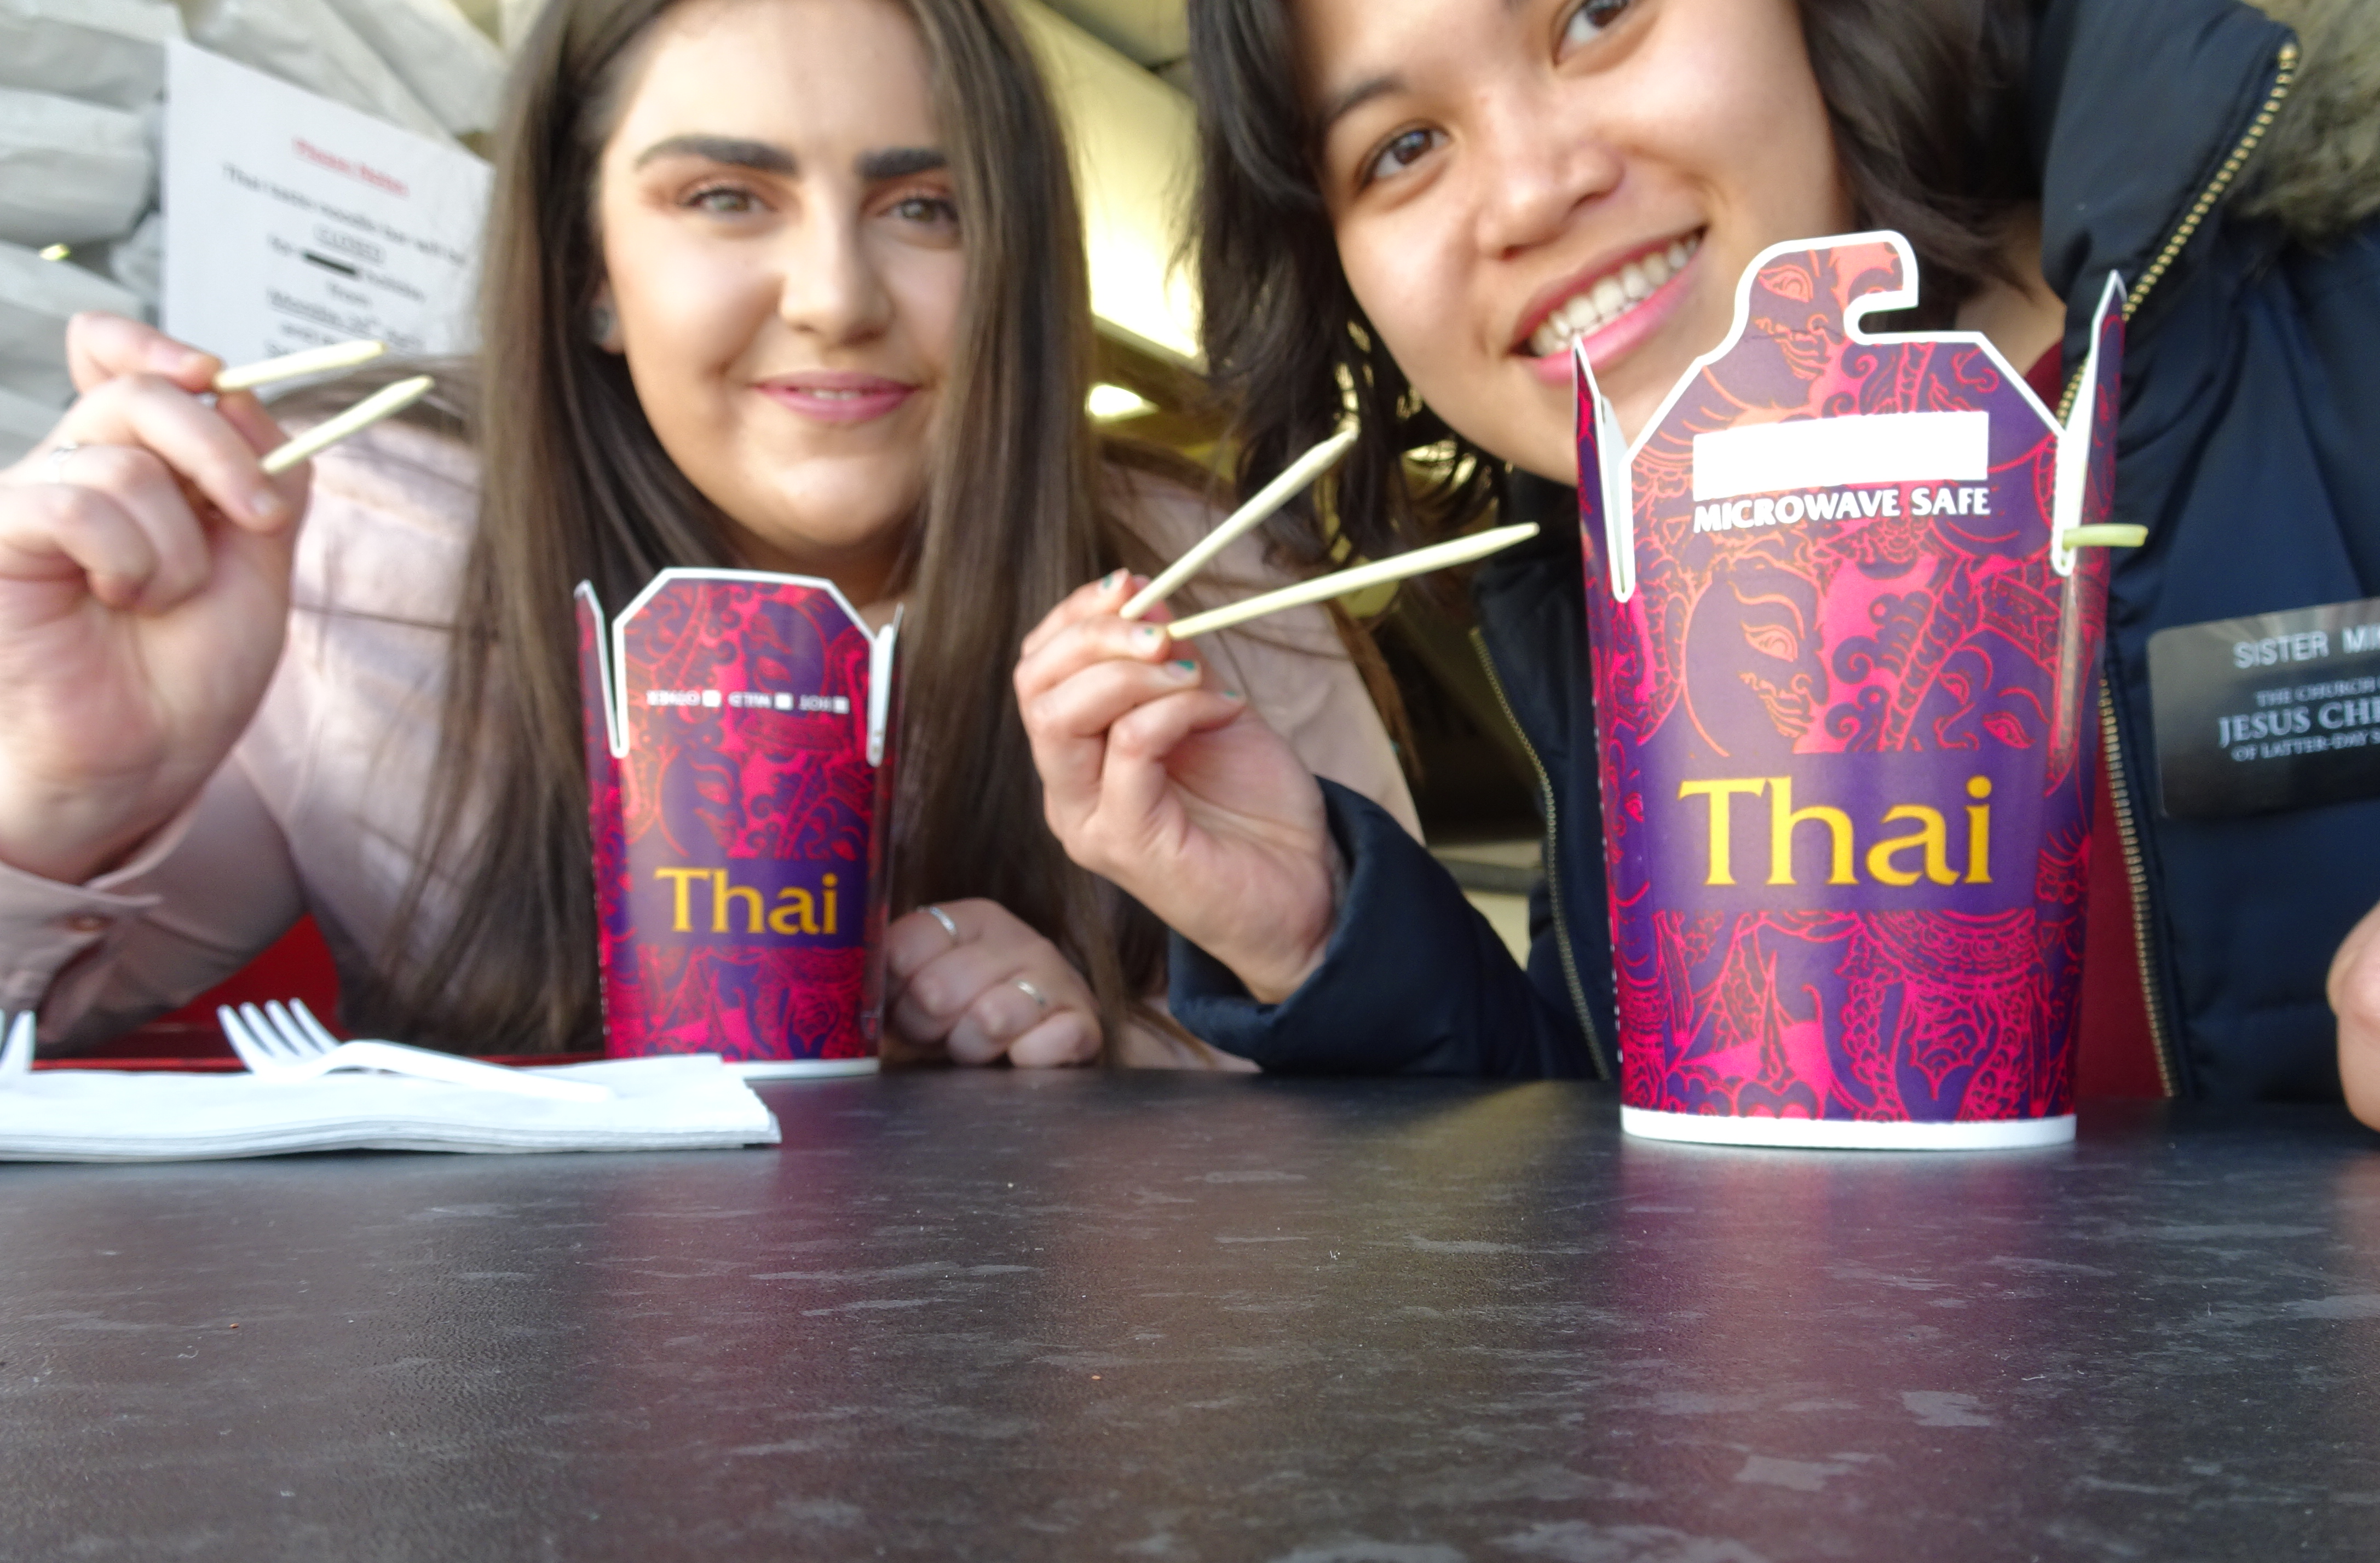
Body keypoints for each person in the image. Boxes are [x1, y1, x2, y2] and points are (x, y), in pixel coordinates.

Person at [1015, 0, 2380, 1161]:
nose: (1530, 189)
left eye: (1597, 12)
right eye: (1398, 149)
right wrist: (1324, 931)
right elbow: (1676, 1161)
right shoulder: (1607, 578)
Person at [0, 0, 1414, 1069]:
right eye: (726, 199)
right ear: (590, 270)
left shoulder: (1207, 584)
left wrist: (1127, 1055)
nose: (836, 297)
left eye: (927, 209)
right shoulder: (362, 550)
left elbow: (1410, 1093)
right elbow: (44, 1029)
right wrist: (59, 789)